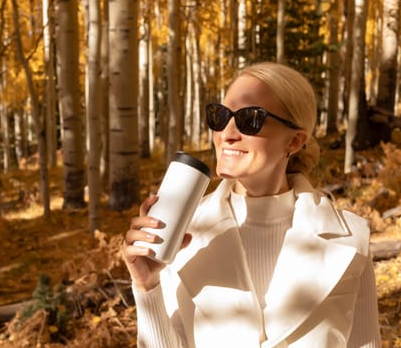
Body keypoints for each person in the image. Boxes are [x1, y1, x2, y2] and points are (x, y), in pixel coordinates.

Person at [123, 62, 382, 347]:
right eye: (220, 116)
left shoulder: (351, 238)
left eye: (250, 119)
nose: (227, 133)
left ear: (294, 141)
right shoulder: (181, 234)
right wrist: (147, 287)